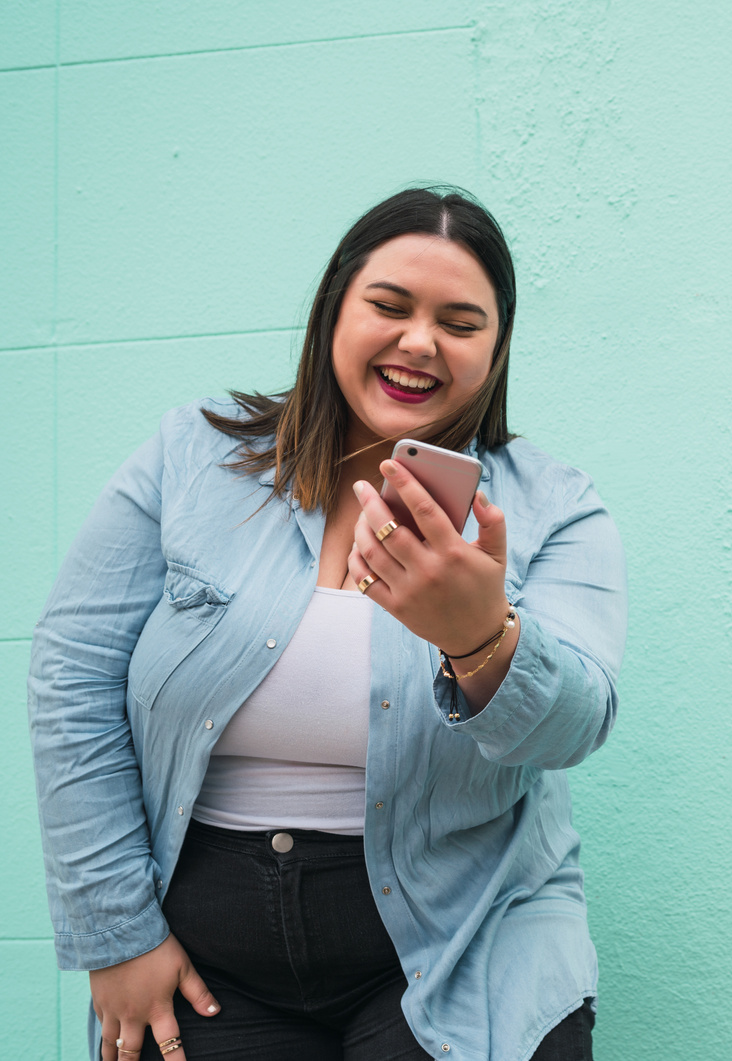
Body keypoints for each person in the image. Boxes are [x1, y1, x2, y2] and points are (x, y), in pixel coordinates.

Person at [28, 187, 627, 1061]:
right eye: (389, 306)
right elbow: (71, 681)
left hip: (465, 941)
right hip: (202, 962)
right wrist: (115, 932)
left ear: (495, 351)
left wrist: (480, 638)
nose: (419, 341)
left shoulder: (553, 506)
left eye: (460, 323)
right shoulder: (188, 460)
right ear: (331, 311)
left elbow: (576, 723)